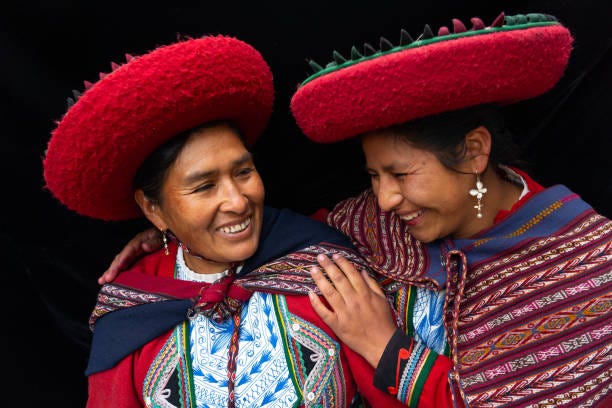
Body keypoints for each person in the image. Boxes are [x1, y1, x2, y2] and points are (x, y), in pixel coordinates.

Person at [102, 12, 611, 407]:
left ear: (475, 152)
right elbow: (287, 236)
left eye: (400, 175)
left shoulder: (585, 264)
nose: (385, 199)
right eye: (373, 176)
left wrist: (385, 346)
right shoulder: (376, 224)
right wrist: (173, 232)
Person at [43, 34, 421, 407]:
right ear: (153, 209)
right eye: (205, 187)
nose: (238, 202)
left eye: (243, 172)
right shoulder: (131, 311)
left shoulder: (327, 269)